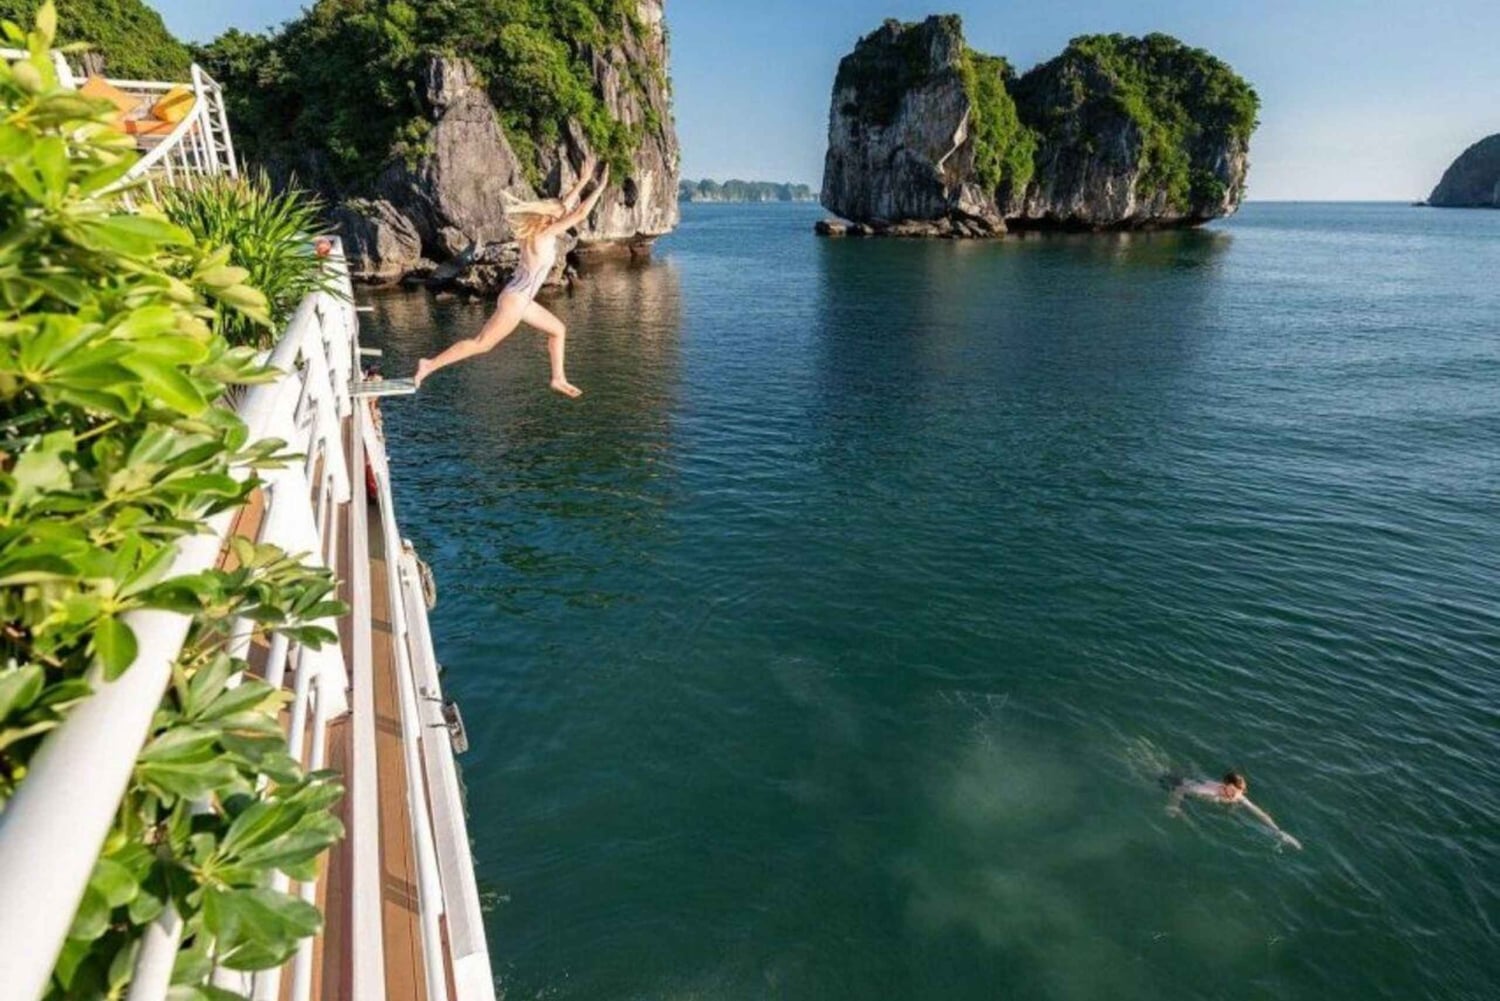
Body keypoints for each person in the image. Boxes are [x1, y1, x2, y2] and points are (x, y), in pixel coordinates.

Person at [414, 157, 611, 396]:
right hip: (516, 300)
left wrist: (583, 181)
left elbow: (565, 207)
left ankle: (558, 378)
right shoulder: (543, 235)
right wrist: (600, 188)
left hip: (520, 298)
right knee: (482, 344)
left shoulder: (533, 232)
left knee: (558, 330)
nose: (561, 217)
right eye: (556, 216)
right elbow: (579, 213)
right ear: (548, 219)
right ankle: (429, 365)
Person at [1166, 771, 1303, 850]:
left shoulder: (1237, 796)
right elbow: (1179, 790)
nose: (1239, 794)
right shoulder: (1209, 792)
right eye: (1237, 790)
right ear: (1226, 786)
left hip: (1189, 791)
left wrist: (1277, 831)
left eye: (1241, 791)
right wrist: (1174, 806)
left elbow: (1258, 812)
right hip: (1172, 783)